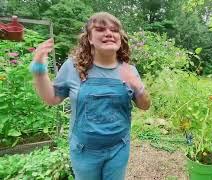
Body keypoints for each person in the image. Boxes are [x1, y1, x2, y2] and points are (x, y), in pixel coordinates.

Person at [30, 12, 151, 180]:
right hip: (84, 151)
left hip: (119, 148)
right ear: (89, 38)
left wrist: (138, 86)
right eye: (100, 29)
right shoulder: (73, 67)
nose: (109, 33)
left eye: (114, 30)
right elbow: (52, 99)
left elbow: (145, 105)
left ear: (120, 38)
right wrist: (39, 70)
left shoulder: (129, 70)